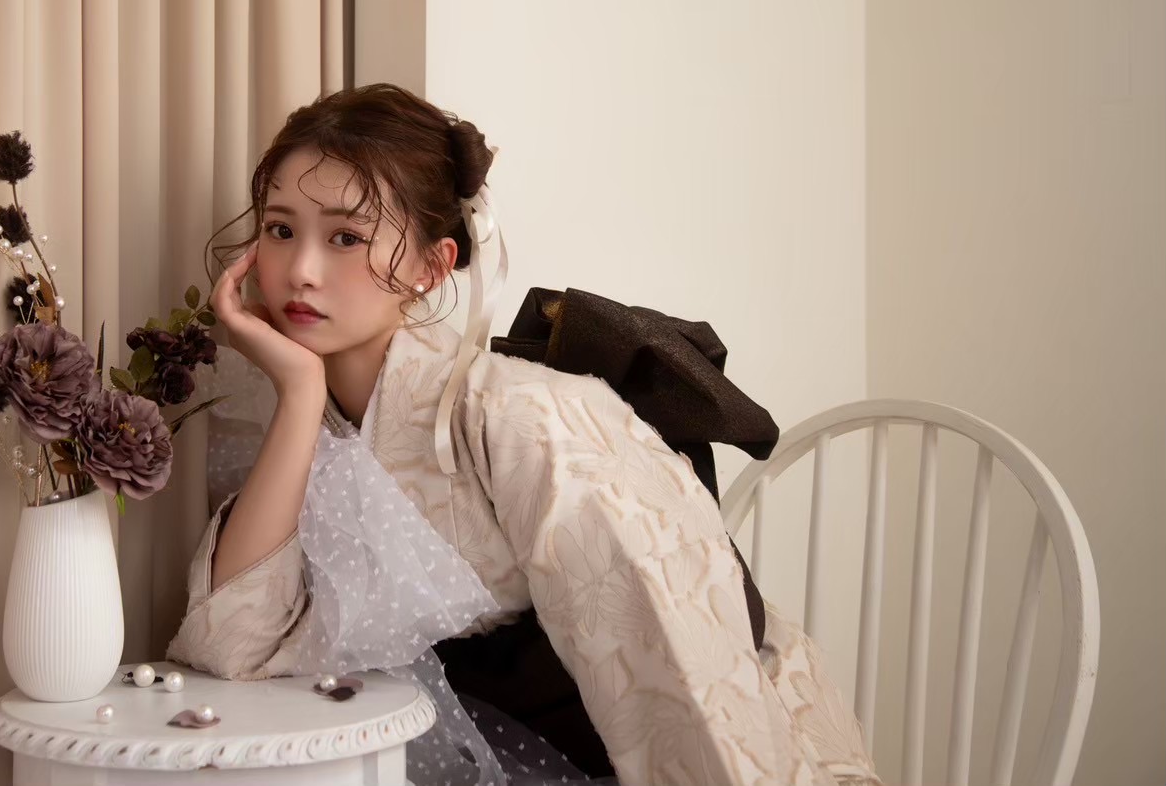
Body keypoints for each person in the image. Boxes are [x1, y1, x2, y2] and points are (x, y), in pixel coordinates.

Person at [166, 84, 878, 786]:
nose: (300, 270)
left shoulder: (527, 415)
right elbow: (229, 646)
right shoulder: (294, 413)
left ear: (430, 267)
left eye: (346, 237)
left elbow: (681, 670)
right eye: (280, 229)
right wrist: (298, 394)